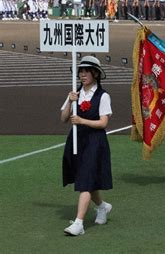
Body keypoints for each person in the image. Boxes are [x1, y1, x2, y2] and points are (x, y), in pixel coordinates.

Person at [61, 56, 113, 236]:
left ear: (95, 74)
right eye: (80, 71)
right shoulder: (75, 92)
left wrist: (82, 120)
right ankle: (102, 206)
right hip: (77, 140)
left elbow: (103, 123)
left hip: (95, 142)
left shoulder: (103, 96)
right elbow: (63, 118)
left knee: (85, 180)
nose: (82, 75)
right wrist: (69, 101)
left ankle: (79, 223)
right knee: (87, 178)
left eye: (86, 71)